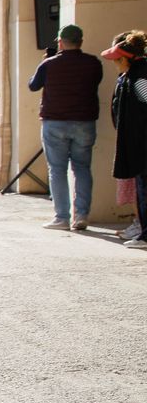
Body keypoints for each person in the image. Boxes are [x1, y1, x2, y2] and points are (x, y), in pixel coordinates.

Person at [29, 24, 104, 231]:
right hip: (84, 121)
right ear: (81, 41)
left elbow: (33, 85)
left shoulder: (49, 64)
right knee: (82, 168)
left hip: (55, 121)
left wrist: (45, 61)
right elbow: (95, 82)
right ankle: (81, 215)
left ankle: (62, 217)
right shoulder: (93, 63)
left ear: (60, 42)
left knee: (57, 170)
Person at [102, 31, 147, 248]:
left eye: (116, 59)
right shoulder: (134, 75)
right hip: (139, 144)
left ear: (125, 59)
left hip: (142, 145)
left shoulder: (139, 78)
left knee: (145, 190)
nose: (114, 64)